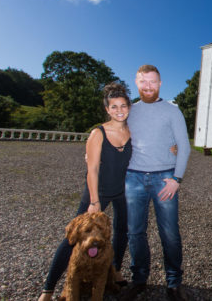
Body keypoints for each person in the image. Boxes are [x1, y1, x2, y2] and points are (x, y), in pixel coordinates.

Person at [38, 83, 132, 301]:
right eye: (114, 106)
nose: (120, 110)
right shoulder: (98, 133)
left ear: (129, 107)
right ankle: (48, 289)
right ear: (107, 109)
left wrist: (171, 148)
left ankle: (115, 269)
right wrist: (94, 200)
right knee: (72, 237)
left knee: (122, 230)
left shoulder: (131, 131)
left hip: (123, 191)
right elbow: (92, 168)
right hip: (98, 191)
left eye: (124, 106)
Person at [123, 64, 191, 301]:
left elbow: (184, 145)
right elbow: (113, 135)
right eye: (144, 81)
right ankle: (139, 280)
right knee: (135, 233)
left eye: (153, 81)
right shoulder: (129, 110)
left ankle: (174, 283)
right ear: (136, 82)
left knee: (170, 233)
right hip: (133, 178)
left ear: (160, 83)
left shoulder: (172, 111)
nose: (148, 86)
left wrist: (176, 179)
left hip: (165, 178)